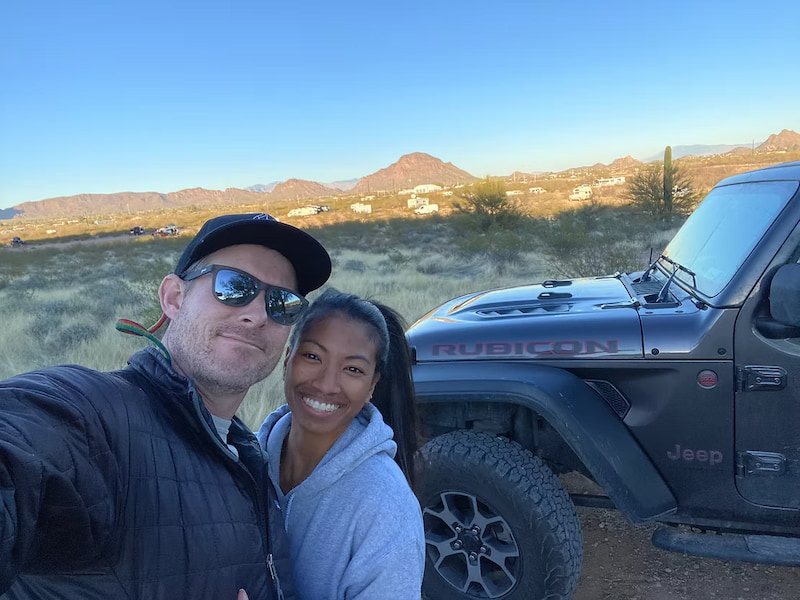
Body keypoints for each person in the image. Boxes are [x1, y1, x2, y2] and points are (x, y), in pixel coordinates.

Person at [0, 213, 331, 600]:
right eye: (234, 286)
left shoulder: (247, 452)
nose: (258, 315)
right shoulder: (95, 419)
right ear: (174, 298)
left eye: (282, 303)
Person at [256, 290, 425, 600]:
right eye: (312, 356)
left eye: (353, 369)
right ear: (287, 358)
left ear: (373, 385)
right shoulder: (244, 459)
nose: (326, 384)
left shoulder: (386, 510)